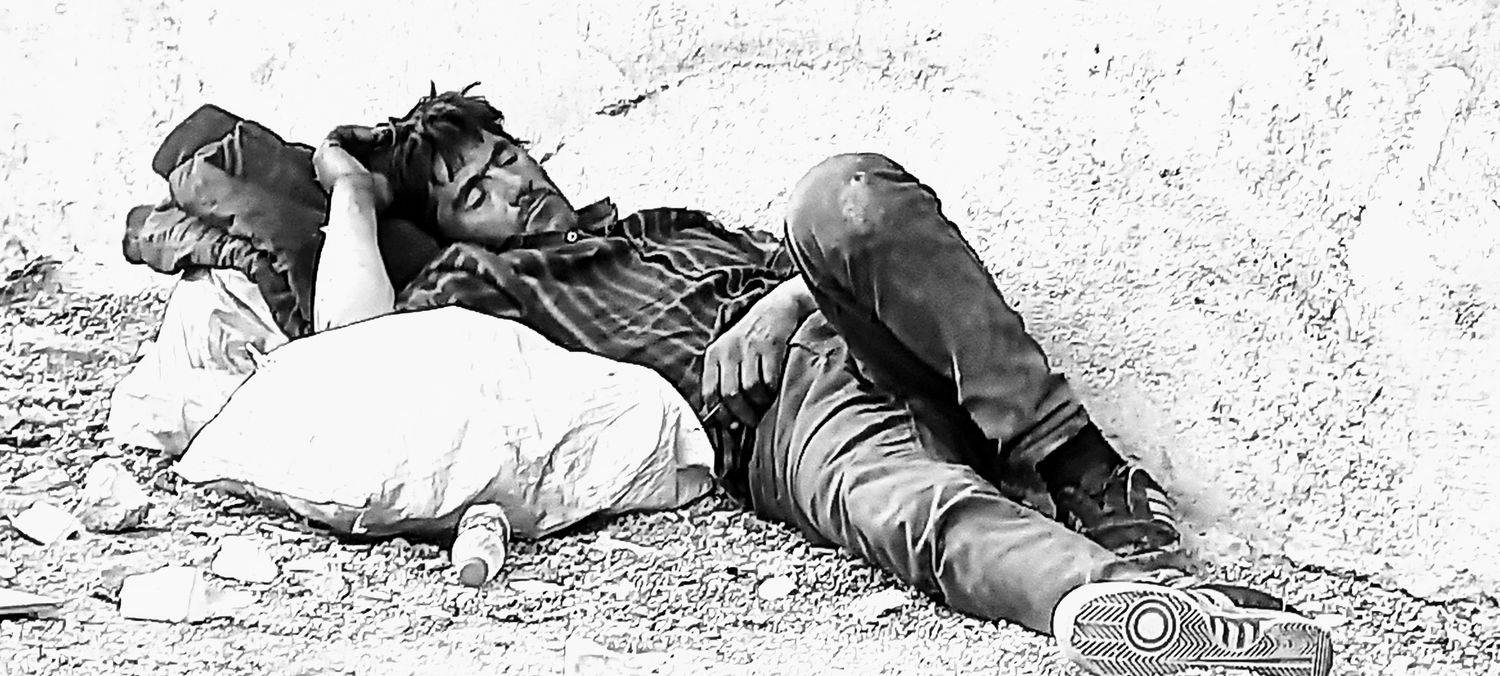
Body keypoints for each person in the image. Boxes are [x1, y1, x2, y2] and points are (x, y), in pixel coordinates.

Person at [309, 88, 1333, 676]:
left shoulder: (668, 225)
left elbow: (844, 254)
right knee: (909, 510)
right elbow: (348, 350)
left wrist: (784, 301)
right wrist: (352, 192)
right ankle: (1140, 612)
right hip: (782, 421)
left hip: (862, 334)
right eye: (474, 193)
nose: (512, 187)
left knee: (836, 196)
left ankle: (1083, 469)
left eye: (505, 156)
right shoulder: (488, 283)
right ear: (455, 232)